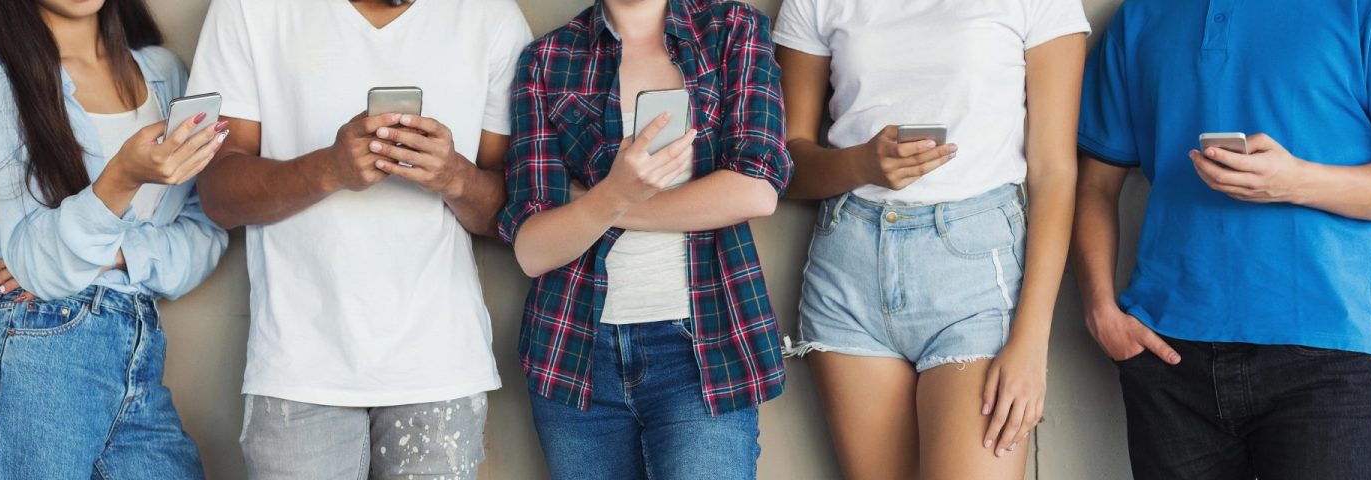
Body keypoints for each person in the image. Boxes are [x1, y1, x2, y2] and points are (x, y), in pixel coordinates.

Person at [185, 0, 530, 477]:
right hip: (298, 370)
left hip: (438, 367)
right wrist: (329, 169)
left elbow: (515, 218)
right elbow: (217, 195)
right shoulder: (249, 9)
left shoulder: (489, 15)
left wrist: (454, 177)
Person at [1074, 1, 1371, 479]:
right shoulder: (1141, 16)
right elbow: (1095, 185)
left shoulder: (1369, 8)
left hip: (1321, 354)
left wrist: (1295, 182)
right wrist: (1100, 310)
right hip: (1168, 358)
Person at [773, 0, 1090, 477]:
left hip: (977, 276)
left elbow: (1056, 171)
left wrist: (1031, 343)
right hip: (850, 267)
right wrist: (862, 163)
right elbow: (785, 163)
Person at [500, 0, 791, 477]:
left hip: (704, 348)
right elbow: (533, 250)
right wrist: (612, 193)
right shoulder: (547, 58)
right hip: (575, 353)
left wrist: (599, 206)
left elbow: (755, 190)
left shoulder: (732, 29)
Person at [0, 0, 229, 477]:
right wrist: (119, 178)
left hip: (140, 353)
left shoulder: (166, 74)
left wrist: (119, 254)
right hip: (42, 349)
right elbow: (37, 268)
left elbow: (207, 233)